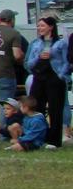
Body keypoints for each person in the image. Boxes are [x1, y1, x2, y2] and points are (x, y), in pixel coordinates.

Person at [25, 15, 67, 148]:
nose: (39, 28)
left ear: (51, 27)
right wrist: (38, 56)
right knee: (37, 107)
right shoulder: (35, 43)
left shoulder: (61, 43)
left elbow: (67, 62)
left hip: (54, 78)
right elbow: (29, 63)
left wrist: (61, 75)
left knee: (55, 109)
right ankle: (38, 137)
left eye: (42, 25)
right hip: (39, 77)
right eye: (38, 26)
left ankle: (54, 141)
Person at [0, 9, 28, 123]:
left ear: (0, 19)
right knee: (5, 103)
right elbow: (17, 55)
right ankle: (4, 132)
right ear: (12, 20)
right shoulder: (14, 33)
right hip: (6, 74)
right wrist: (24, 57)